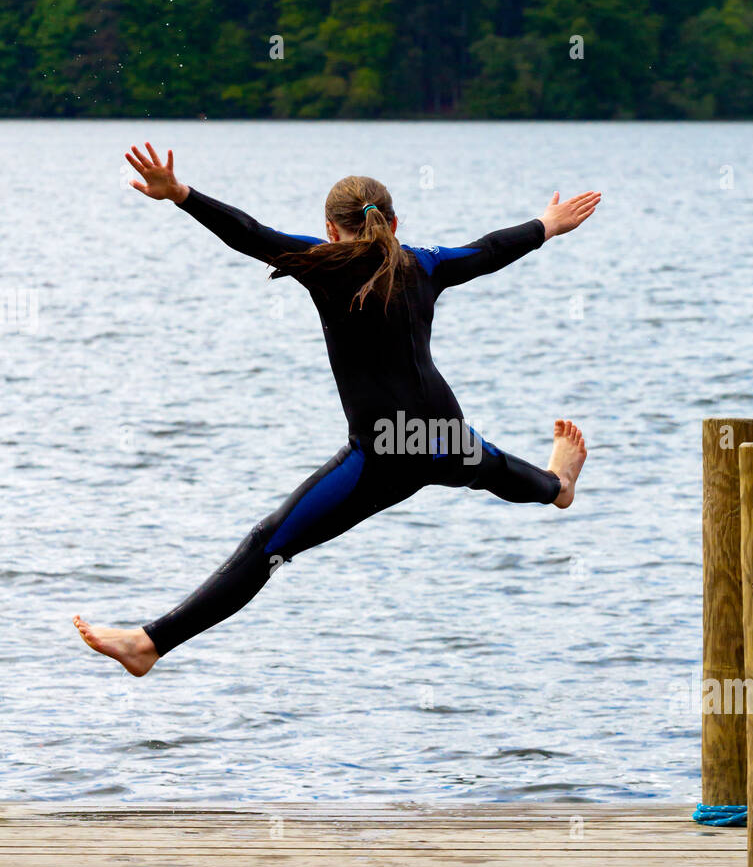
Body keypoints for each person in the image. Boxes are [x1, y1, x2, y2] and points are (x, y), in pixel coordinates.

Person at [74, 143, 599, 674]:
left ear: (330, 230)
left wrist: (181, 195)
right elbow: (488, 250)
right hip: (447, 437)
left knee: (268, 543)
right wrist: (546, 224)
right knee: (493, 469)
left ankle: (149, 645)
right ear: (395, 223)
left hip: (385, 454)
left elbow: (250, 234)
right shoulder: (426, 263)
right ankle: (558, 487)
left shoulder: (323, 263)